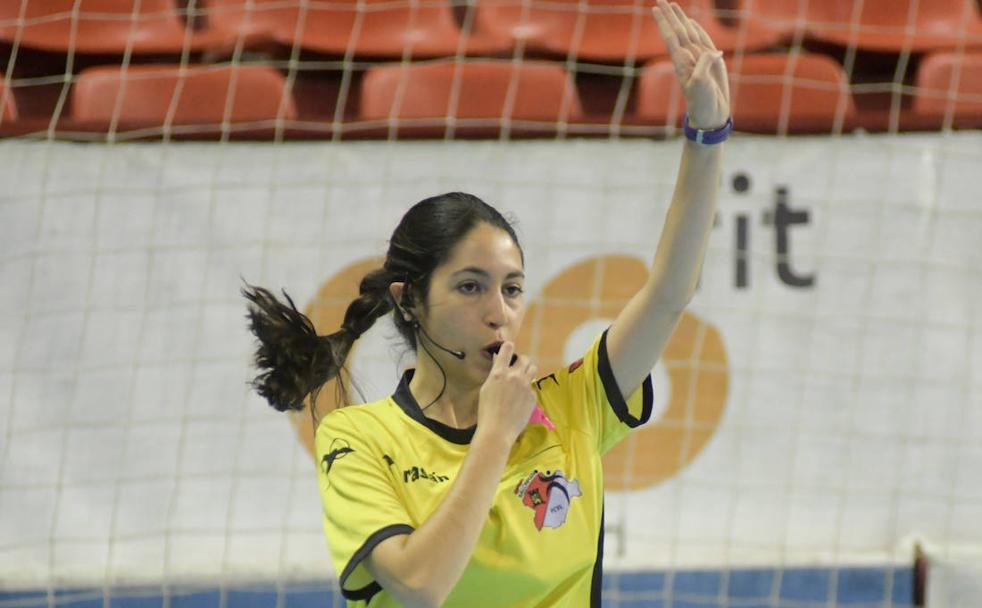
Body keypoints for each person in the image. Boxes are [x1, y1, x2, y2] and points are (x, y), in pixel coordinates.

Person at [242, 1, 731, 606]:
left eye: (513, 287)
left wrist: (707, 138)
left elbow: (667, 295)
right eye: (470, 286)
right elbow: (421, 585)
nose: (499, 311)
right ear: (410, 301)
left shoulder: (571, 406)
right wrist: (495, 434)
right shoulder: (357, 437)